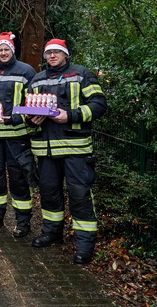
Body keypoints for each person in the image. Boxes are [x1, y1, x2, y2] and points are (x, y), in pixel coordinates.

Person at [28, 38, 107, 264]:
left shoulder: (82, 75)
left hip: (76, 148)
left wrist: (70, 115)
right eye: (48, 53)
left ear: (65, 54)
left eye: (56, 52)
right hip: (45, 150)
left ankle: (84, 245)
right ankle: (52, 233)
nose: (52, 56)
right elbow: (30, 110)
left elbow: (99, 104)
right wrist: (31, 119)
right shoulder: (37, 79)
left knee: (79, 196)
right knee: (49, 194)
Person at [0, 32, 38, 237]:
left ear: (13, 51)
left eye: (7, 49)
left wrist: (14, 118)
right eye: (0, 49)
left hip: (16, 135)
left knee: (19, 178)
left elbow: (31, 103)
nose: (3, 53)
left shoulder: (26, 71)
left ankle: (23, 222)